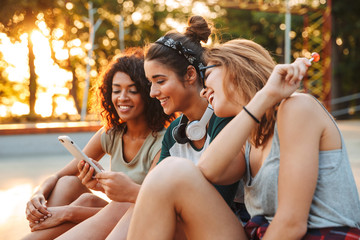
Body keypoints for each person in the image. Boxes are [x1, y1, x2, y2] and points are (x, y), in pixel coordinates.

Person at [127, 39, 360, 240]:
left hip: (319, 235)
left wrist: (267, 94)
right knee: (169, 172)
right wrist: (260, 101)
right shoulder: (248, 136)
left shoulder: (297, 108)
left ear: (235, 69)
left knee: (169, 174)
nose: (202, 91)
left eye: (207, 75)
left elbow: (292, 224)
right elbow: (207, 170)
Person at [104, 16, 246, 240]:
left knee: (138, 202)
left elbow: (217, 203)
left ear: (190, 75)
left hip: (224, 229)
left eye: (159, 81)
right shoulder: (174, 133)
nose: (152, 93)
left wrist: (132, 191)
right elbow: (155, 192)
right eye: (150, 83)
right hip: (189, 229)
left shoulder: (224, 120)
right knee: (127, 206)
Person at [23, 48, 174, 240]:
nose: (122, 98)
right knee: (67, 183)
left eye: (132, 90)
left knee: (108, 205)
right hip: (112, 216)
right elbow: (60, 174)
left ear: (148, 94)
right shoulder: (111, 134)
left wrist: (69, 212)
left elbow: (144, 203)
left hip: (142, 222)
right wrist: (37, 195)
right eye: (116, 90)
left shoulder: (162, 143)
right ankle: (43, 228)